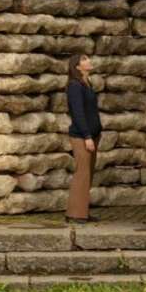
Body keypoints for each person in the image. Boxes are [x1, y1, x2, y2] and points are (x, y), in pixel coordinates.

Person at [65, 53, 101, 223]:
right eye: (84, 59)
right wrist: (87, 136)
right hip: (81, 136)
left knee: (88, 174)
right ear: (77, 66)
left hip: (93, 135)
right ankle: (75, 214)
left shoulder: (87, 83)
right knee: (82, 173)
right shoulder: (74, 86)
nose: (89, 61)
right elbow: (78, 113)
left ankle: (83, 212)